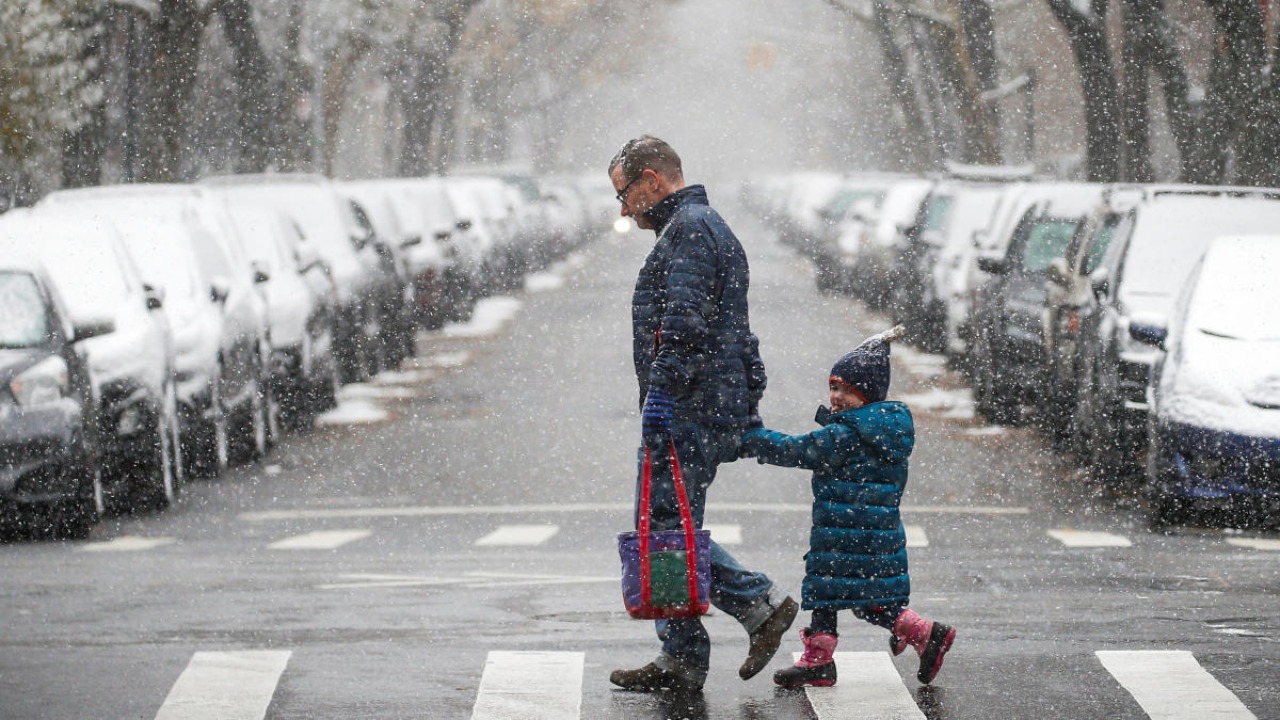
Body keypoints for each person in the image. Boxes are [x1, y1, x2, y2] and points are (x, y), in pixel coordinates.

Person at [607, 135, 798, 693]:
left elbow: (686, 325)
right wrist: (747, 398)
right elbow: (738, 328)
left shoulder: (690, 230)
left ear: (652, 180)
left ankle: (755, 605)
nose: (624, 208)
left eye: (625, 194)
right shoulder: (706, 227)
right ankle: (681, 654)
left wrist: (663, 396)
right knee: (667, 522)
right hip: (710, 401)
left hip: (690, 405)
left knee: (667, 527)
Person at [738, 325, 956, 687]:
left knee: (838, 593)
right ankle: (914, 635)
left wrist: (752, 439)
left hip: (846, 533)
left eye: (846, 390)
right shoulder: (884, 431)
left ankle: (915, 635)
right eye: (833, 387)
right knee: (854, 597)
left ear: (867, 396)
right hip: (871, 532)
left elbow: (798, 449)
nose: (836, 397)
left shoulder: (847, 434)